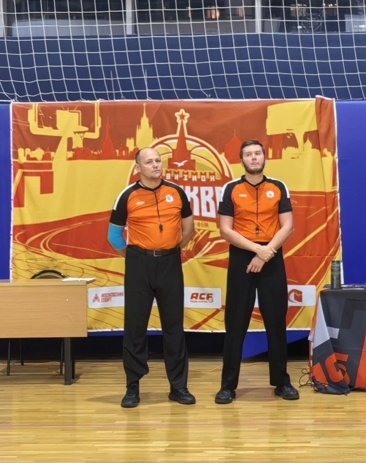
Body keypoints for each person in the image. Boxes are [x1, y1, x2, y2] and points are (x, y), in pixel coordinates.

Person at [107, 146, 196, 408]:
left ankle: (178, 387)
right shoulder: (127, 195)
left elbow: (189, 229)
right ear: (138, 168)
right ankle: (132, 387)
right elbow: (113, 236)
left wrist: (170, 250)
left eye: (158, 160)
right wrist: (136, 257)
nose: (156, 165)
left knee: (174, 327)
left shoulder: (176, 192)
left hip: (170, 263)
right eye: (149, 162)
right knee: (135, 327)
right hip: (139, 264)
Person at [214, 139, 301, 405]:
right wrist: (256, 250)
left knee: (275, 320)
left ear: (264, 157)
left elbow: (287, 226)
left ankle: (282, 382)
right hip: (242, 256)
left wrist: (266, 252)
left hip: (271, 256)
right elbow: (225, 229)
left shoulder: (278, 186)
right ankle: (228, 386)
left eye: (257, 153)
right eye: (248, 154)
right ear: (241, 160)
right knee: (235, 322)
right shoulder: (231, 188)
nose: (253, 158)